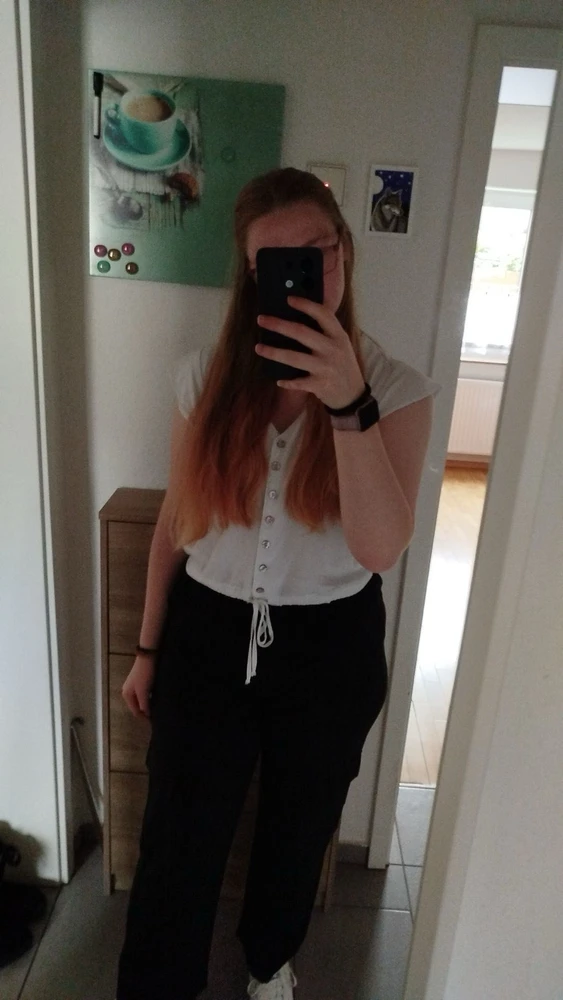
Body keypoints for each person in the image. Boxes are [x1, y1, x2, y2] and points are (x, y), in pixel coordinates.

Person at [115, 167, 441, 1000]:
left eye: (317, 253)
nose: (304, 274)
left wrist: (347, 403)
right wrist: (147, 649)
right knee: (178, 837)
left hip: (329, 646)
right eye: (277, 262)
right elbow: (177, 521)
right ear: (251, 274)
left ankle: (267, 966)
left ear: (345, 253)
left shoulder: (397, 389)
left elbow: (378, 549)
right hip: (206, 633)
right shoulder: (204, 376)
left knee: (297, 834)